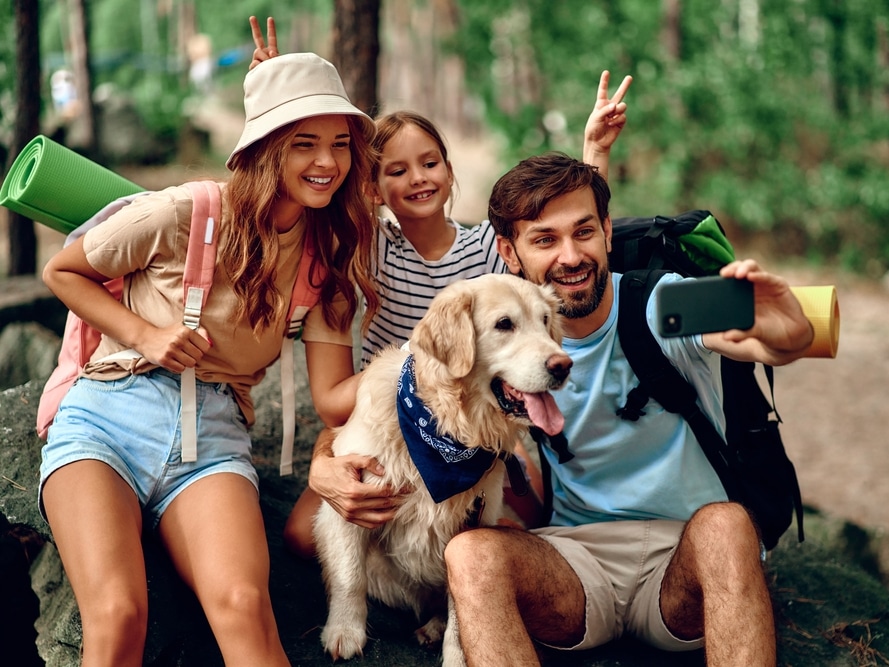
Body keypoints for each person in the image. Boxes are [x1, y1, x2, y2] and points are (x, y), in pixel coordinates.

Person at [246, 16, 635, 556]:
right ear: (374, 187)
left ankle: (469, 590)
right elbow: (315, 203)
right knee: (303, 535)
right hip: (394, 411)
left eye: (430, 163)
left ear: (450, 173)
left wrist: (596, 154)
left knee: (516, 524)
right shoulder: (370, 248)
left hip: (477, 409)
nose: (418, 178)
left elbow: (566, 242)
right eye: (397, 170)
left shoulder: (484, 251)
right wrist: (280, 108)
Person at [38, 50, 378, 666]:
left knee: (245, 605)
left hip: (214, 440)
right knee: (117, 616)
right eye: (304, 143)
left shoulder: (326, 262)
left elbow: (333, 399)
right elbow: (63, 270)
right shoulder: (184, 211)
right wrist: (144, 334)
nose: (328, 162)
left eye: (341, 144)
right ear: (266, 147)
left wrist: (416, 362)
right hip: (107, 418)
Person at [438, 152, 815, 666]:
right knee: (469, 555)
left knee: (728, 525)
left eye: (584, 232)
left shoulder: (664, 304)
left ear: (608, 231)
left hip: (684, 562)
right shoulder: (497, 340)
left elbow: (767, 340)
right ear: (510, 250)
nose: (570, 256)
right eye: (545, 239)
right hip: (576, 563)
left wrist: (789, 328)